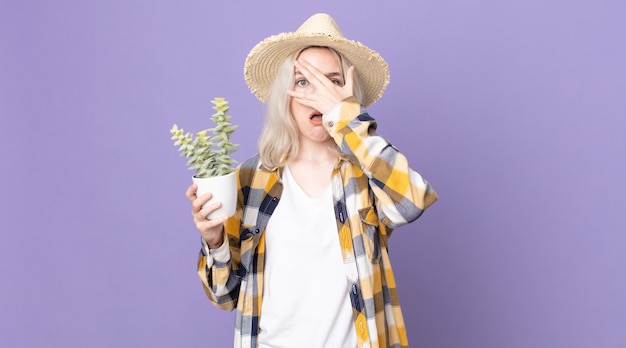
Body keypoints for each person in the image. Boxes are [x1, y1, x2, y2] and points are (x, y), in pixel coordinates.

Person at [185, 13, 438, 348]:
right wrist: (215, 241)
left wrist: (347, 119)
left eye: (331, 82)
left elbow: (411, 202)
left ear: (346, 96)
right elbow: (224, 297)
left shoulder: (366, 171)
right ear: (285, 96)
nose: (318, 95)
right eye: (304, 81)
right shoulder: (251, 178)